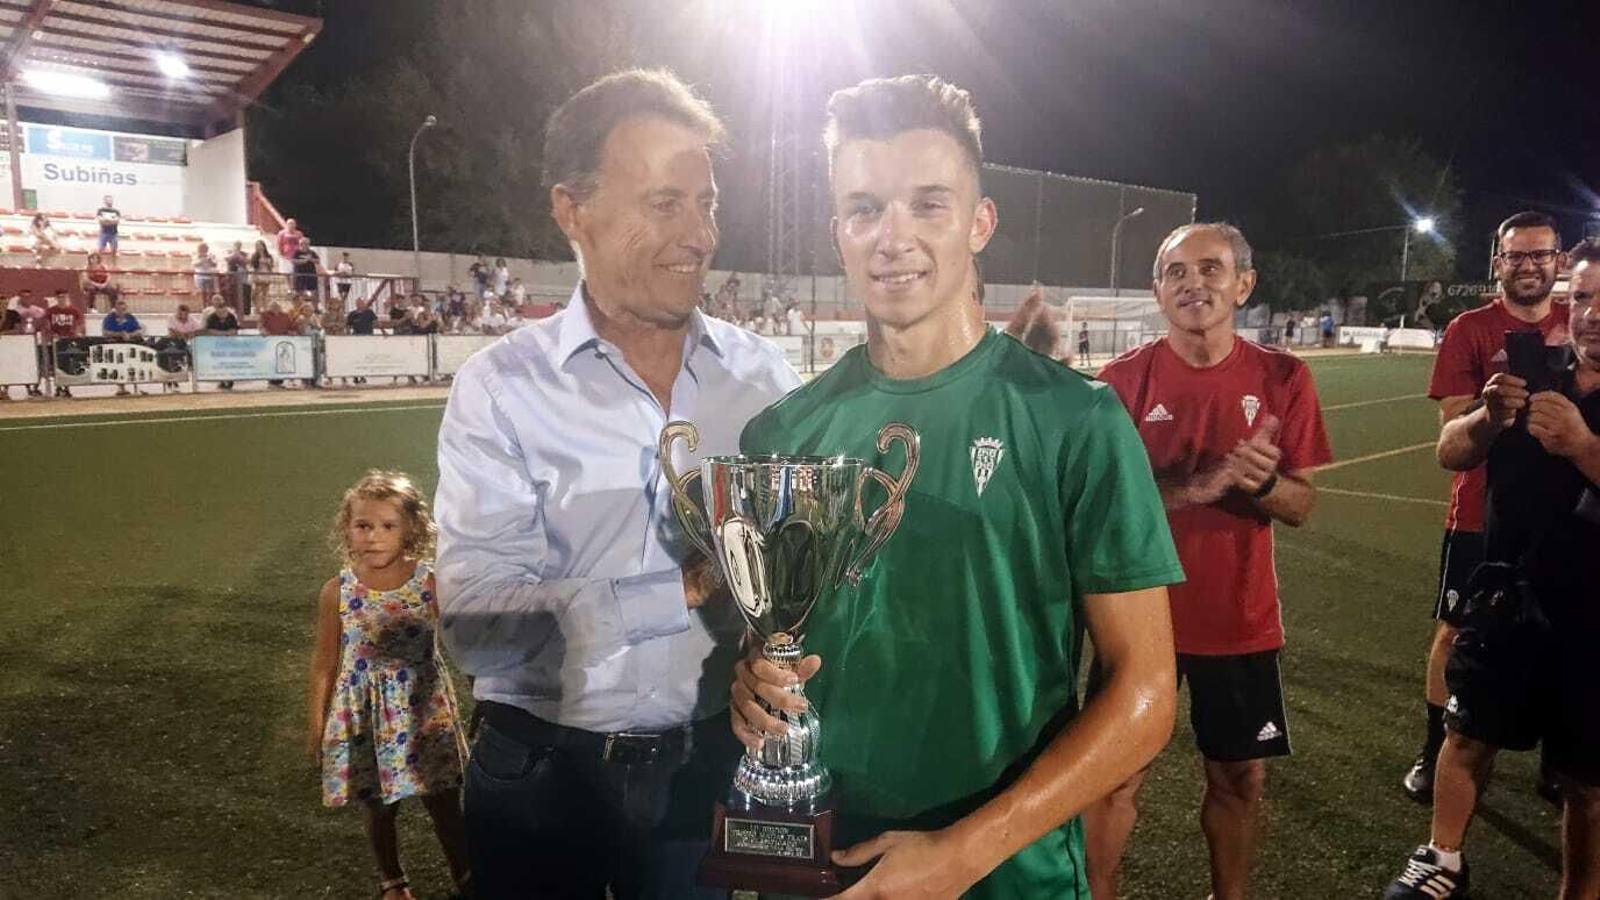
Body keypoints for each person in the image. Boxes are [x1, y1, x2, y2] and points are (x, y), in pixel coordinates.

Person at [731, 74, 1180, 899]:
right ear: (838, 233)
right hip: (819, 866)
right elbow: (777, 636)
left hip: (1007, 874)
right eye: (865, 209)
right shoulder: (781, 435)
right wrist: (753, 679)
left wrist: (966, 850)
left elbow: (1147, 692)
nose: (891, 238)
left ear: (980, 223)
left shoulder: (1075, 420)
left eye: (927, 205)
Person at [433, 68, 801, 898]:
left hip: (706, 765)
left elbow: (795, 569)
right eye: (664, 203)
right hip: (540, 773)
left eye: (705, 203)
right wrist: (686, 588)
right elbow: (477, 625)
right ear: (574, 210)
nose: (699, 234)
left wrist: (772, 642)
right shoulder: (502, 387)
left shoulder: (766, 378)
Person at [1085, 223, 1332, 900]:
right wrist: (1195, 487)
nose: (1195, 284)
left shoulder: (1284, 377)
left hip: (1239, 621)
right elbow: (1095, 507)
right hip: (1137, 619)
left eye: (1211, 269)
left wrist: (1260, 484)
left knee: (1239, 779)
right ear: (1157, 291)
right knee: (1111, 780)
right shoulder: (1118, 382)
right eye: (1177, 272)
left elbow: (1302, 504)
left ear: (1243, 284)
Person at [1383, 218, 1579, 900]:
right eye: (1516, 254)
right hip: (1482, 524)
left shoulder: (1580, 324)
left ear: (1561, 261)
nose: (1529, 265)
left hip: (1573, 535)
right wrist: (1491, 416)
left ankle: (1562, 762)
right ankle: (1436, 749)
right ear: (1497, 260)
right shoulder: (1471, 329)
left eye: (1542, 254)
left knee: (1573, 655)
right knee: (1458, 638)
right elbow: (1450, 442)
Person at [309, 471, 471, 900]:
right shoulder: (338, 591)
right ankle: (392, 881)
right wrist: (317, 725)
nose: (373, 537)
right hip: (364, 710)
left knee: (443, 801)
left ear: (411, 529)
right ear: (348, 528)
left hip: (424, 707)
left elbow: (462, 643)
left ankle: (466, 873)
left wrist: (482, 689)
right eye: (363, 525)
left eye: (387, 526)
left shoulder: (430, 583)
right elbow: (325, 663)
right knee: (379, 805)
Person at [45, 290, 85, 398]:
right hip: (55, 341)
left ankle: (67, 387)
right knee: (55, 365)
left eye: (64, 297)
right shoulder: (51, 311)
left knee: (67, 364)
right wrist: (52, 334)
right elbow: (47, 325)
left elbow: (80, 322)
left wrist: (77, 332)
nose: (62, 299)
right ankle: (58, 387)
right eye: (60, 297)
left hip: (68, 341)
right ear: (56, 298)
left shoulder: (73, 311)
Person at [203, 296, 239, 390]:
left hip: (229, 344)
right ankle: (222, 381)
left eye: (224, 311)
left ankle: (229, 381)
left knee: (229, 363)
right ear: (217, 311)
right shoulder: (211, 317)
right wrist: (226, 333)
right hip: (216, 345)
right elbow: (210, 332)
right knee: (219, 363)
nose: (223, 314)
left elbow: (234, 332)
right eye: (220, 312)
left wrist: (220, 333)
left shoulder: (231, 316)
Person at [259, 300, 297, 389]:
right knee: (271, 362)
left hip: (283, 343)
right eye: (273, 306)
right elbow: (261, 325)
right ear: (269, 308)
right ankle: (271, 382)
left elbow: (292, 326)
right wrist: (262, 331)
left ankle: (279, 382)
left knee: (281, 362)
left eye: (277, 307)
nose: (276, 308)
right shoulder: (264, 315)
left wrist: (292, 331)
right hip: (270, 342)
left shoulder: (285, 315)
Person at [248, 240, 275, 313]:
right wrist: (254, 276)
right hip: (258, 275)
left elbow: (272, 266)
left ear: (264, 246)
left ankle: (265, 308)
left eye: (261, 245)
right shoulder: (254, 256)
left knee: (265, 293)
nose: (259, 247)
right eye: (257, 246)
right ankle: (257, 308)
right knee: (256, 293)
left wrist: (268, 263)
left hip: (266, 275)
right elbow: (252, 267)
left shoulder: (269, 256)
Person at [224, 241, 248, 310]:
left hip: (241, 275)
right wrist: (234, 254)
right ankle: (231, 306)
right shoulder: (230, 252)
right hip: (231, 275)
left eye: (239, 245)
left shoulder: (244, 254)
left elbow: (245, 262)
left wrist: (238, 255)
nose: (238, 247)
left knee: (241, 291)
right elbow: (227, 260)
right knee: (231, 291)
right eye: (236, 245)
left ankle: (240, 307)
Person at [95, 195, 121, 260]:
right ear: (105, 201)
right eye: (108, 200)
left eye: (111, 200)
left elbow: (117, 221)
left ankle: (114, 266)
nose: (110, 201)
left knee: (114, 250)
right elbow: (100, 221)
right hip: (103, 233)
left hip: (114, 233)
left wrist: (106, 220)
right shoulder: (101, 210)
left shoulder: (116, 211)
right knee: (100, 249)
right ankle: (98, 264)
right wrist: (111, 220)